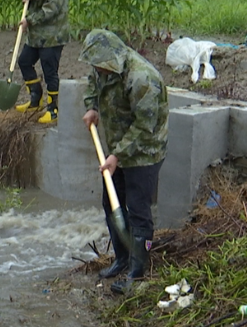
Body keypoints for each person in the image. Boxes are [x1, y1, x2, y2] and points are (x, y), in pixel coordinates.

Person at [79, 29, 169, 295]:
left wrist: (117, 155)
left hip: (144, 152)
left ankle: (137, 273)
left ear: (113, 58)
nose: (97, 69)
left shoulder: (142, 79)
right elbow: (93, 83)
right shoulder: (102, 67)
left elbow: (144, 126)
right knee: (111, 203)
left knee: (138, 210)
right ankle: (122, 258)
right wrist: (92, 106)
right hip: (116, 149)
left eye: (100, 65)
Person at [13, 0, 70, 124]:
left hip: (52, 36)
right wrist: (29, 0)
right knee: (24, 61)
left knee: (49, 71)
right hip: (36, 36)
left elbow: (51, 9)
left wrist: (29, 20)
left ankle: (53, 109)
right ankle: (35, 99)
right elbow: (37, 4)